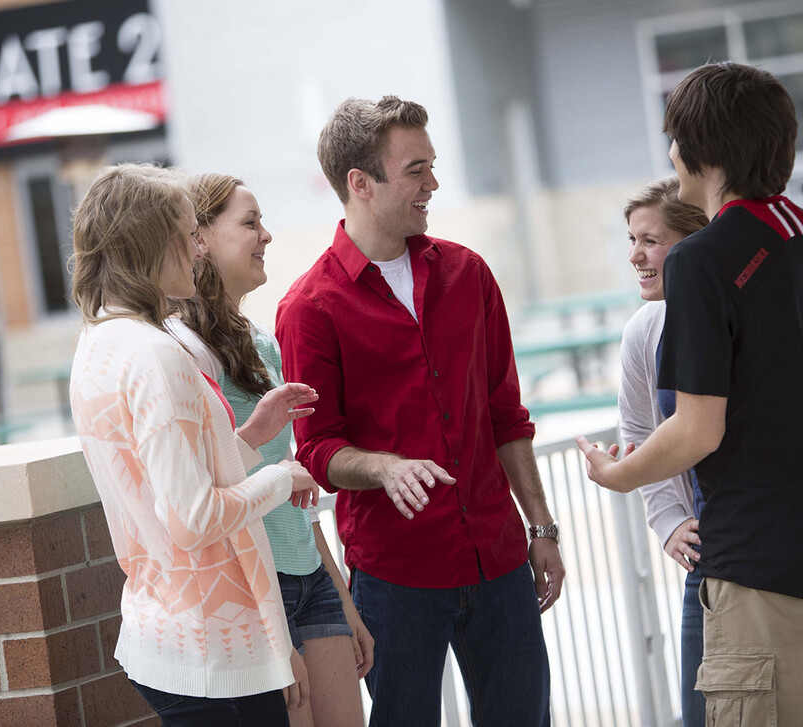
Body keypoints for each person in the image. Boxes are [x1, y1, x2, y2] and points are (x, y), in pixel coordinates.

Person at [578, 63, 803, 726]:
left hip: (762, 575)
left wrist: (620, 474)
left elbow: (697, 428)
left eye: (673, 141)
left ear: (698, 149)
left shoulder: (701, 258)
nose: (671, 155)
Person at [275, 96, 563, 726]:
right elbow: (318, 448)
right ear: (361, 183)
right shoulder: (310, 308)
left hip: (498, 558)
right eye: (415, 169)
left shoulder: (470, 274)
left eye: (432, 166)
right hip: (396, 577)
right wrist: (381, 467)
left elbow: (506, 414)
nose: (433, 183)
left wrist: (541, 527)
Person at [69, 163, 319, 726]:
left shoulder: (100, 343)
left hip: (173, 634)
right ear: (151, 242)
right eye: (188, 235)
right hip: (213, 652)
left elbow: (175, 480)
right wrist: (282, 478)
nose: (198, 250)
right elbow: (194, 517)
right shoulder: (154, 355)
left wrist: (251, 439)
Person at [167, 173, 373, 727]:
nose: (267, 236)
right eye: (250, 223)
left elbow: (293, 483)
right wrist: (266, 626)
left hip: (310, 578)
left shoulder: (260, 341)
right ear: (200, 238)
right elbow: (204, 489)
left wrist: (342, 597)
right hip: (258, 591)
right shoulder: (179, 350)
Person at [617, 177, 710, 725]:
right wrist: (670, 521)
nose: (635, 255)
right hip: (709, 556)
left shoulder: (740, 317)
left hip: (770, 549)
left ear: (694, 242)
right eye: (631, 240)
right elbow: (639, 433)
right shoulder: (644, 331)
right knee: (700, 712)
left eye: (650, 240)